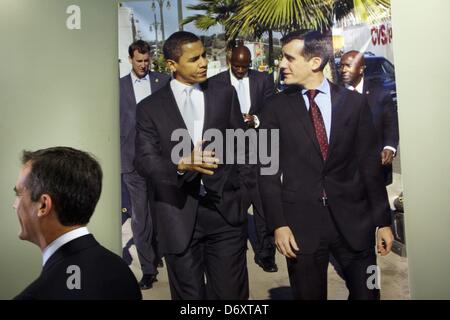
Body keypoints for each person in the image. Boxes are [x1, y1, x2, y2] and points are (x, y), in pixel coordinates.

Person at [258, 30, 394, 300]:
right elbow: (267, 171)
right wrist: (278, 225)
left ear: (314, 62)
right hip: (301, 227)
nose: (281, 64)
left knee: (369, 292)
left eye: (288, 58)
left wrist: (383, 222)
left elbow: (369, 167)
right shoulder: (273, 108)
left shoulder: (354, 104)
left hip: (356, 223)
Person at [135, 31, 254, 300]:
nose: (204, 63)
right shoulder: (149, 108)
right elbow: (144, 160)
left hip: (225, 213)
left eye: (204, 56)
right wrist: (180, 165)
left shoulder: (224, 94)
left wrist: (244, 193)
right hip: (177, 215)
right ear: (172, 65)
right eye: (194, 58)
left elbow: (243, 146)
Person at [13, 147, 142, 300]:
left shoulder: (36, 295)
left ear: (43, 205)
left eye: (19, 194)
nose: (15, 204)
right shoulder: (122, 271)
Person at [209, 45, 277, 273]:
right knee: (234, 202)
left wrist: (256, 118)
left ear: (250, 63)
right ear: (230, 60)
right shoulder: (216, 82)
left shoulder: (263, 80)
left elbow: (272, 108)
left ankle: (266, 254)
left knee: (263, 202)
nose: (239, 70)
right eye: (236, 66)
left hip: (259, 149)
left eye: (244, 66)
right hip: (230, 151)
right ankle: (233, 248)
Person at [120, 40, 170, 289]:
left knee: (161, 211)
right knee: (140, 217)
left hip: (159, 160)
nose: (143, 65)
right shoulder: (118, 87)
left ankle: (159, 252)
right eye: (138, 61)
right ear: (130, 59)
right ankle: (148, 268)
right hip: (131, 163)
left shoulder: (163, 82)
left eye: (146, 60)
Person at [339, 50, 399, 185]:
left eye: (348, 65)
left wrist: (389, 147)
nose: (343, 70)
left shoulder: (380, 93)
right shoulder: (334, 95)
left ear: (361, 69)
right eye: (341, 66)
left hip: (375, 167)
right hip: (345, 171)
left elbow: (391, 124)